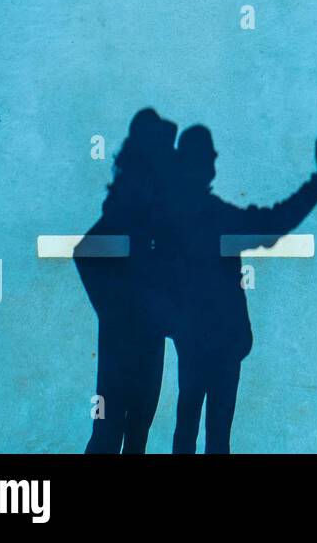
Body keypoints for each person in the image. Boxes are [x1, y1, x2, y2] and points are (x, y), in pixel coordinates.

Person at [166, 123, 317, 454]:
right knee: (217, 437)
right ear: (204, 165)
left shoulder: (171, 218)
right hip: (225, 340)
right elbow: (272, 225)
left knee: (186, 428)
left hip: (193, 339)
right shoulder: (217, 217)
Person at [75, 108, 177, 454]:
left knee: (137, 430)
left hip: (149, 338)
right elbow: (85, 251)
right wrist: (115, 310)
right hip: (124, 341)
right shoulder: (127, 201)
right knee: (109, 432)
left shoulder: (156, 204)